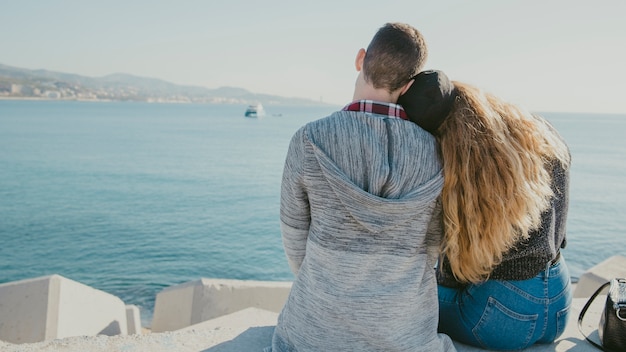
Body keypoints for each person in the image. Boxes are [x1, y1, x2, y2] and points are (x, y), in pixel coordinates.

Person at [268, 24, 456, 352]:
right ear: (408, 85)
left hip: (315, 335)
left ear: (360, 59)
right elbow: (432, 246)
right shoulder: (436, 154)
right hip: (403, 336)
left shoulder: (309, 140)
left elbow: (295, 240)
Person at [399, 70, 572, 351]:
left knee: (406, 299)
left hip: (502, 316)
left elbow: (452, 270)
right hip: (558, 303)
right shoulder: (538, 132)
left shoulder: (462, 171)